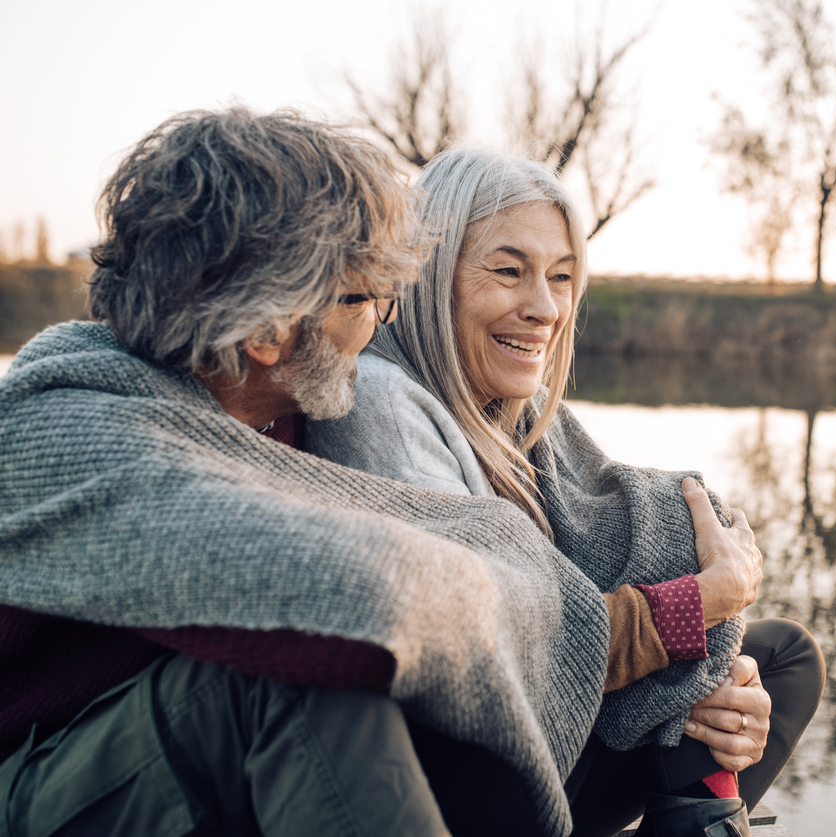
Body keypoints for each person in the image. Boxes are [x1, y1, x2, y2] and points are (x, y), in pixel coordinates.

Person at [0, 110, 766, 837]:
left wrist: (684, 655)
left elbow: (453, 564)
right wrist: (675, 616)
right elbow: (377, 588)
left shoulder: (271, 410)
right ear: (268, 330)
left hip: (178, 754)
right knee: (310, 667)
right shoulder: (77, 435)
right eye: (365, 295)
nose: (386, 319)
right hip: (35, 781)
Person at [306, 146, 827, 837]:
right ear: (428, 275)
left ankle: (700, 796)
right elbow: (501, 651)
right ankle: (702, 808)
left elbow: (579, 594)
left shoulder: (509, 410)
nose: (545, 307)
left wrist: (707, 692)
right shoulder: (382, 402)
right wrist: (700, 606)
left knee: (778, 660)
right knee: (699, 691)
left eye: (561, 276)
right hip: (466, 768)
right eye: (508, 270)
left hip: (545, 716)